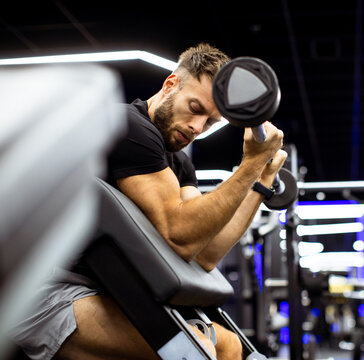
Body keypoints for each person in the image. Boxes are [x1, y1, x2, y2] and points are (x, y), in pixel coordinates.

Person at [11, 43, 287, 360]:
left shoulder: (180, 163)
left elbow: (206, 252)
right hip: (45, 295)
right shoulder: (130, 128)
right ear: (170, 85)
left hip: (104, 291)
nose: (198, 128)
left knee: (231, 346)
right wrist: (250, 165)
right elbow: (180, 234)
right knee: (199, 352)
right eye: (196, 109)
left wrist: (261, 181)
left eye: (210, 122)